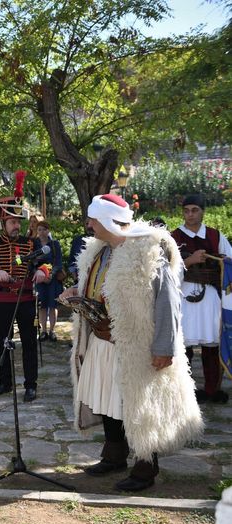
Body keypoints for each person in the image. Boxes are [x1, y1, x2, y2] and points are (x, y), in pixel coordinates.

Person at [61, 193, 203, 491]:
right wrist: (76, 289)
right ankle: (114, 455)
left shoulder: (147, 253)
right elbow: (98, 287)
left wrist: (164, 348)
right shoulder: (98, 251)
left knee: (138, 407)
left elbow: (167, 302)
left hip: (136, 345)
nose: (87, 224)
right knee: (107, 401)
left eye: (92, 219)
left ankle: (144, 468)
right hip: (102, 340)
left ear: (105, 220)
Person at [0, 176, 48, 402]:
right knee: (3, 342)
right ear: (3, 223)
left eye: (18, 221)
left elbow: (47, 263)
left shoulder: (32, 244)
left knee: (29, 342)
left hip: (26, 299)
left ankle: (30, 385)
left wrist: (42, 272)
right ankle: (5, 382)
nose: (16, 225)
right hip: (2, 301)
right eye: (12, 222)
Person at [171, 194, 232, 403]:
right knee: (183, 346)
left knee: (211, 346)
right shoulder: (174, 237)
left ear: (202, 211)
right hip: (184, 295)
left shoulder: (215, 236)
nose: (190, 215)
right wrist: (189, 260)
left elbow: (231, 262)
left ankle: (212, 390)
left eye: (194, 210)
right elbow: (163, 268)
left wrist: (222, 261)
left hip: (211, 298)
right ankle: (184, 392)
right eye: (186, 210)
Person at [34, 221, 64, 342]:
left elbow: (58, 262)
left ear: (48, 230)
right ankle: (43, 331)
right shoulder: (34, 244)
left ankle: (52, 330)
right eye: (39, 229)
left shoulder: (54, 244)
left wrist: (50, 274)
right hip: (40, 278)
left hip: (52, 279)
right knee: (42, 305)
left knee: (52, 305)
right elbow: (31, 261)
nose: (42, 232)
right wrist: (38, 272)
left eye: (44, 229)